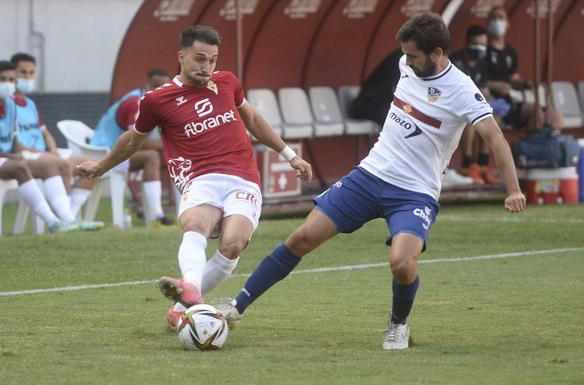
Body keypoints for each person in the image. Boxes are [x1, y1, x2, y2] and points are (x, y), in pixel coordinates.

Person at [218, 12, 526, 350]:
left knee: (402, 263)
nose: (405, 60)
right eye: (405, 53)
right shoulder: (404, 67)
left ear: (437, 54)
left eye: (413, 55)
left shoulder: (463, 90)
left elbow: (494, 138)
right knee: (302, 237)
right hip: (369, 177)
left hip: (415, 193)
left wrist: (512, 190)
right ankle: (236, 306)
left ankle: (398, 324)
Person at [77, 25, 312, 327]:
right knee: (196, 224)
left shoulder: (227, 82)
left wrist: (290, 156)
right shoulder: (157, 100)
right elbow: (132, 140)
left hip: (242, 177)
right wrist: (100, 167)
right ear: (182, 55)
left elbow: (252, 119)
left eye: (213, 60)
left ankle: (182, 306)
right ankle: (191, 290)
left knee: (233, 244)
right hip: (200, 177)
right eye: (200, 59)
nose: (207, 67)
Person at [0, 60, 90, 233]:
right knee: (23, 166)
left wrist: (19, 153)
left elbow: (15, 140)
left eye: (11, 80)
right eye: (3, 79)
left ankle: (68, 219)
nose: (8, 84)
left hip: (8, 158)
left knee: (51, 165)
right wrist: (15, 156)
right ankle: (53, 222)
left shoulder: (11, 104)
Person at [10, 52, 101, 219]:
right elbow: (14, 143)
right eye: (23, 73)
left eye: (31, 73)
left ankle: (70, 215)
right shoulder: (7, 104)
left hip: (45, 154)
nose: (28, 77)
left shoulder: (30, 104)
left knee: (95, 166)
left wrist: (52, 149)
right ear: (12, 73)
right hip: (26, 156)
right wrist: (48, 154)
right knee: (62, 164)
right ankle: (68, 219)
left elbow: (46, 133)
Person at [90, 68, 174, 227]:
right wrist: (168, 145)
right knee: (152, 157)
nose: (161, 90)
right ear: (147, 85)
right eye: (157, 86)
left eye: (165, 87)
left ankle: (176, 209)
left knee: (175, 158)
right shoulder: (137, 103)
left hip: (119, 151)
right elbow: (136, 141)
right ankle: (157, 216)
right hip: (104, 152)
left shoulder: (151, 101)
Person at [450, 25, 508, 185]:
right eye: (476, 44)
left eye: (483, 45)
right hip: (456, 106)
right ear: (467, 43)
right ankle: (467, 164)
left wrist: (491, 101)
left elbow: (484, 89)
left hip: (474, 104)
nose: (479, 49)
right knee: (471, 120)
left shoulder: (482, 63)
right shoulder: (456, 61)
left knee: (493, 115)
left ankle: (482, 164)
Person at [486, 6, 536, 131]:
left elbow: (513, 79)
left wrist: (525, 84)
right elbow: (473, 79)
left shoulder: (510, 52)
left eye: (501, 18)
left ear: (507, 24)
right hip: (488, 101)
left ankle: (530, 146)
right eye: (494, 18)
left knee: (538, 112)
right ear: (488, 24)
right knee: (495, 115)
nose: (497, 21)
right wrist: (494, 85)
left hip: (508, 102)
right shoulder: (482, 51)